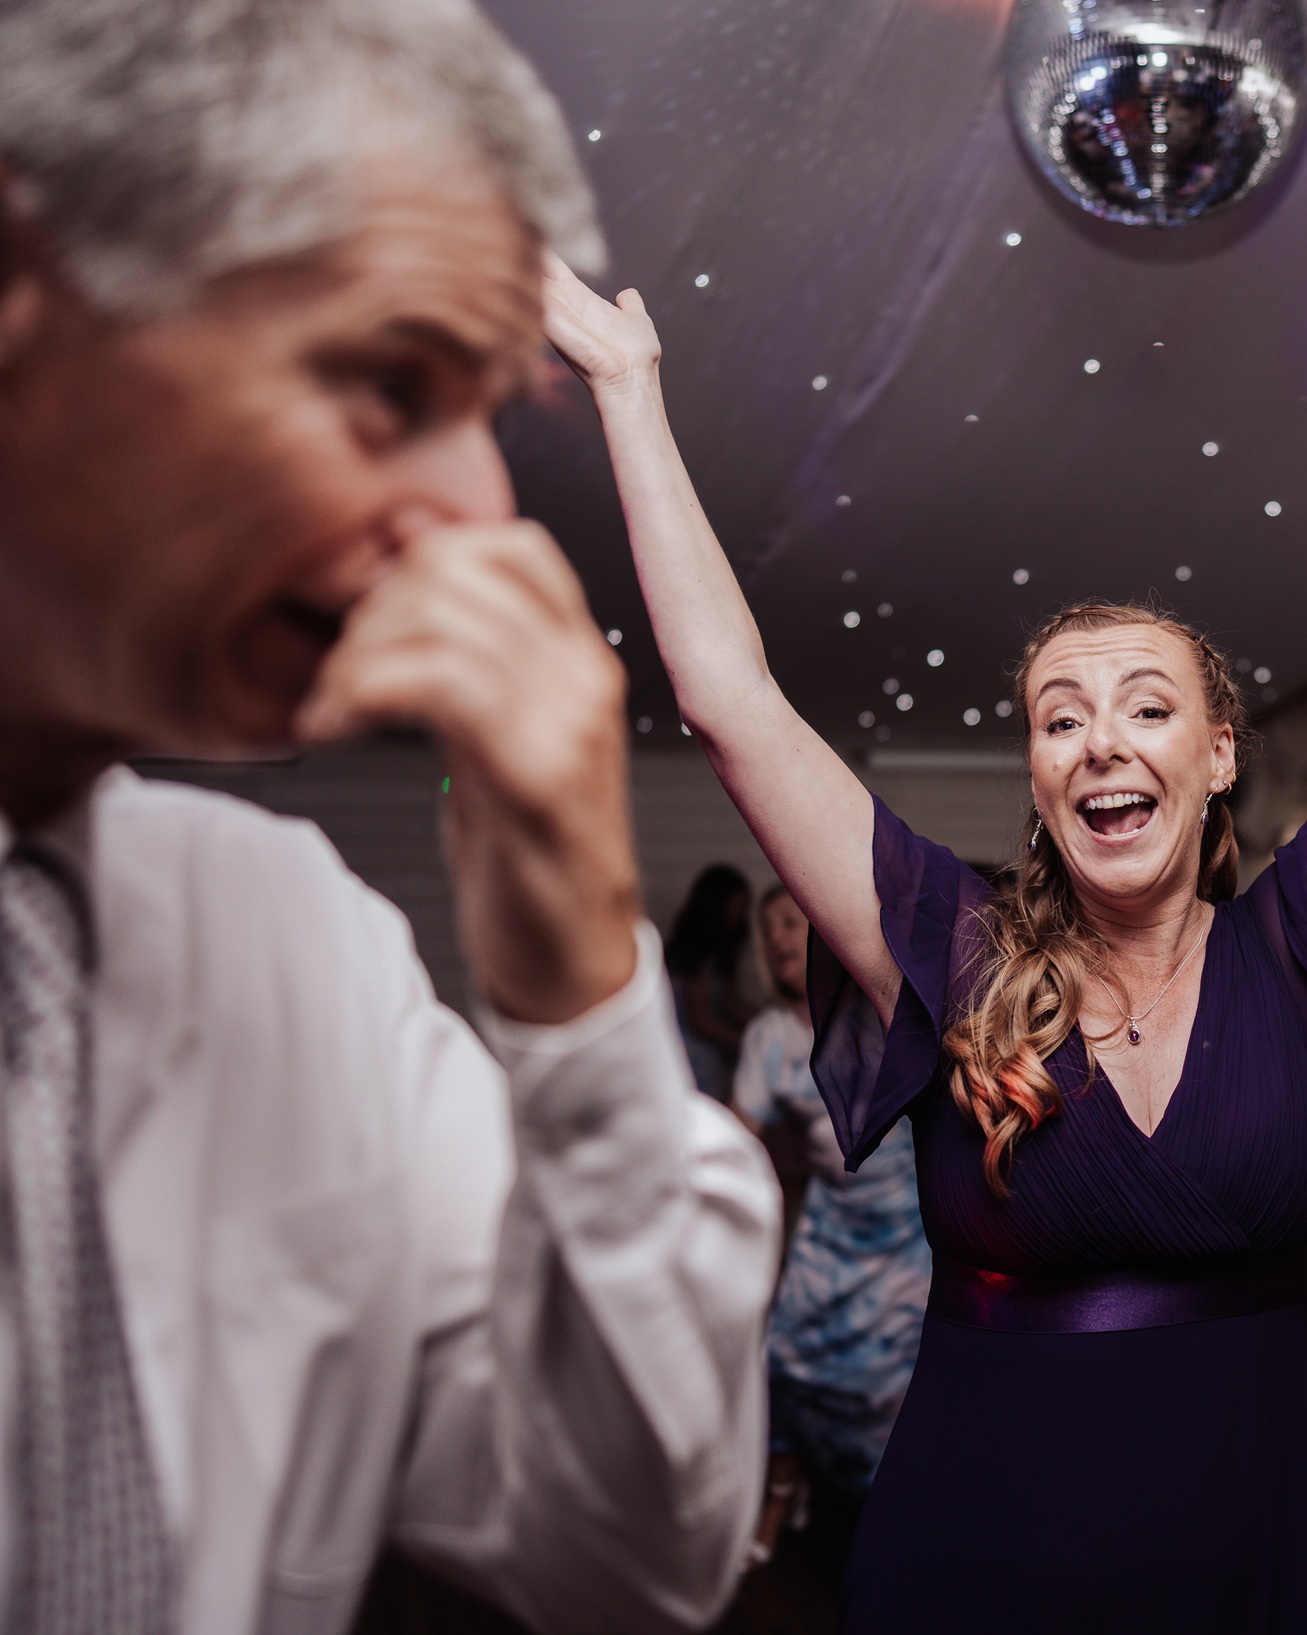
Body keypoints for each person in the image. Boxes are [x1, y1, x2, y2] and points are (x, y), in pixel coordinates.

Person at [541, 242, 1307, 1630]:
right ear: (1037, 774)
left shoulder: (1294, 945)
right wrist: (630, 388)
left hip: (1239, 1548)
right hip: (981, 1557)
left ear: (1218, 755)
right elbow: (730, 702)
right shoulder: (952, 948)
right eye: (1059, 716)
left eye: (1144, 706)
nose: (1098, 741)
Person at [0, 2, 779, 1630]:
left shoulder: (303, 938)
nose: (481, 516)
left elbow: (629, 1567)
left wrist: (579, 994)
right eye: (389, 380)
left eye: (489, 417)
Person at [732, 886, 931, 1558]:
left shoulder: (881, 1012)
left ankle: (896, 1519)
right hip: (828, 1233)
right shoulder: (768, 1039)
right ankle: (783, 1494)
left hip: (907, 1236)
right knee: (781, 1362)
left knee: (896, 1389)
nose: (782, 940)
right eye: (769, 932)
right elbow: (737, 1144)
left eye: (791, 922)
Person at [669, 861, 756, 1098]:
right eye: (737, 905)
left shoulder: (720, 952)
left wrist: (766, 1019)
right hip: (688, 1057)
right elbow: (700, 1022)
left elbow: (729, 1003)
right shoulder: (694, 953)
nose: (741, 913)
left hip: (707, 1054)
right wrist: (750, 1042)